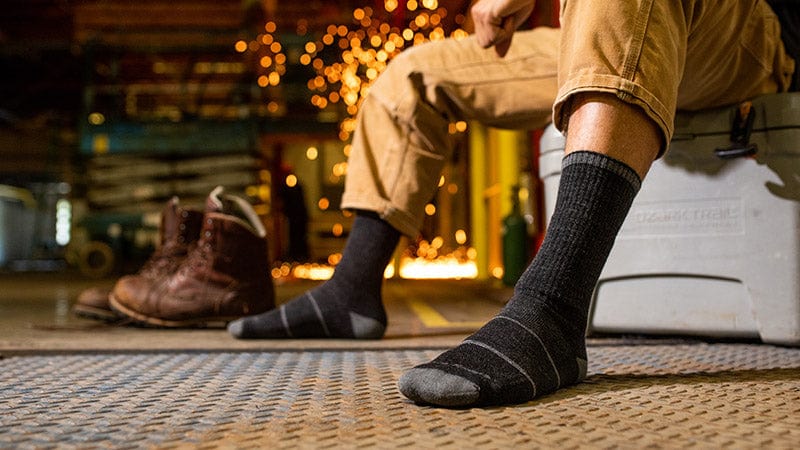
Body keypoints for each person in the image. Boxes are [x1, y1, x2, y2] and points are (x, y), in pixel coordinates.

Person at [228, 0, 796, 408]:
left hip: (752, 30)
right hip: (608, 18)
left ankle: (554, 310)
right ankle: (352, 291)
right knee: (410, 75)